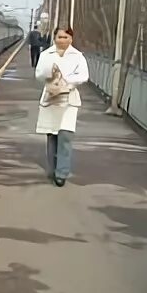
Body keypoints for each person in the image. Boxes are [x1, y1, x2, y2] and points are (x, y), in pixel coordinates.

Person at [35, 27, 89, 187]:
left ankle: (62, 173)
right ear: (54, 38)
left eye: (65, 37)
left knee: (65, 135)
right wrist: (50, 73)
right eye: (59, 37)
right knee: (52, 135)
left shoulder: (78, 56)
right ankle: (52, 169)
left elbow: (84, 75)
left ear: (71, 39)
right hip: (50, 98)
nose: (62, 40)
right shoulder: (46, 55)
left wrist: (67, 81)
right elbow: (38, 74)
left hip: (69, 99)